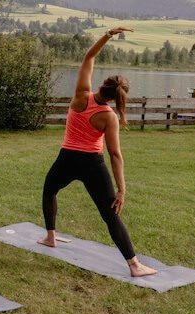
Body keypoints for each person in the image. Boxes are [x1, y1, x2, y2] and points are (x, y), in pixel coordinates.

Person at [38, 26, 158, 278]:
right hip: (92, 163)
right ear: (118, 97)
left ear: (102, 84)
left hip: (67, 157)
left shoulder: (81, 94)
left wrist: (108, 35)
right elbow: (115, 155)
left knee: (50, 189)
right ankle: (134, 265)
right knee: (109, 213)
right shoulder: (108, 117)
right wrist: (121, 190)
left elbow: (89, 57)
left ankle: (50, 237)